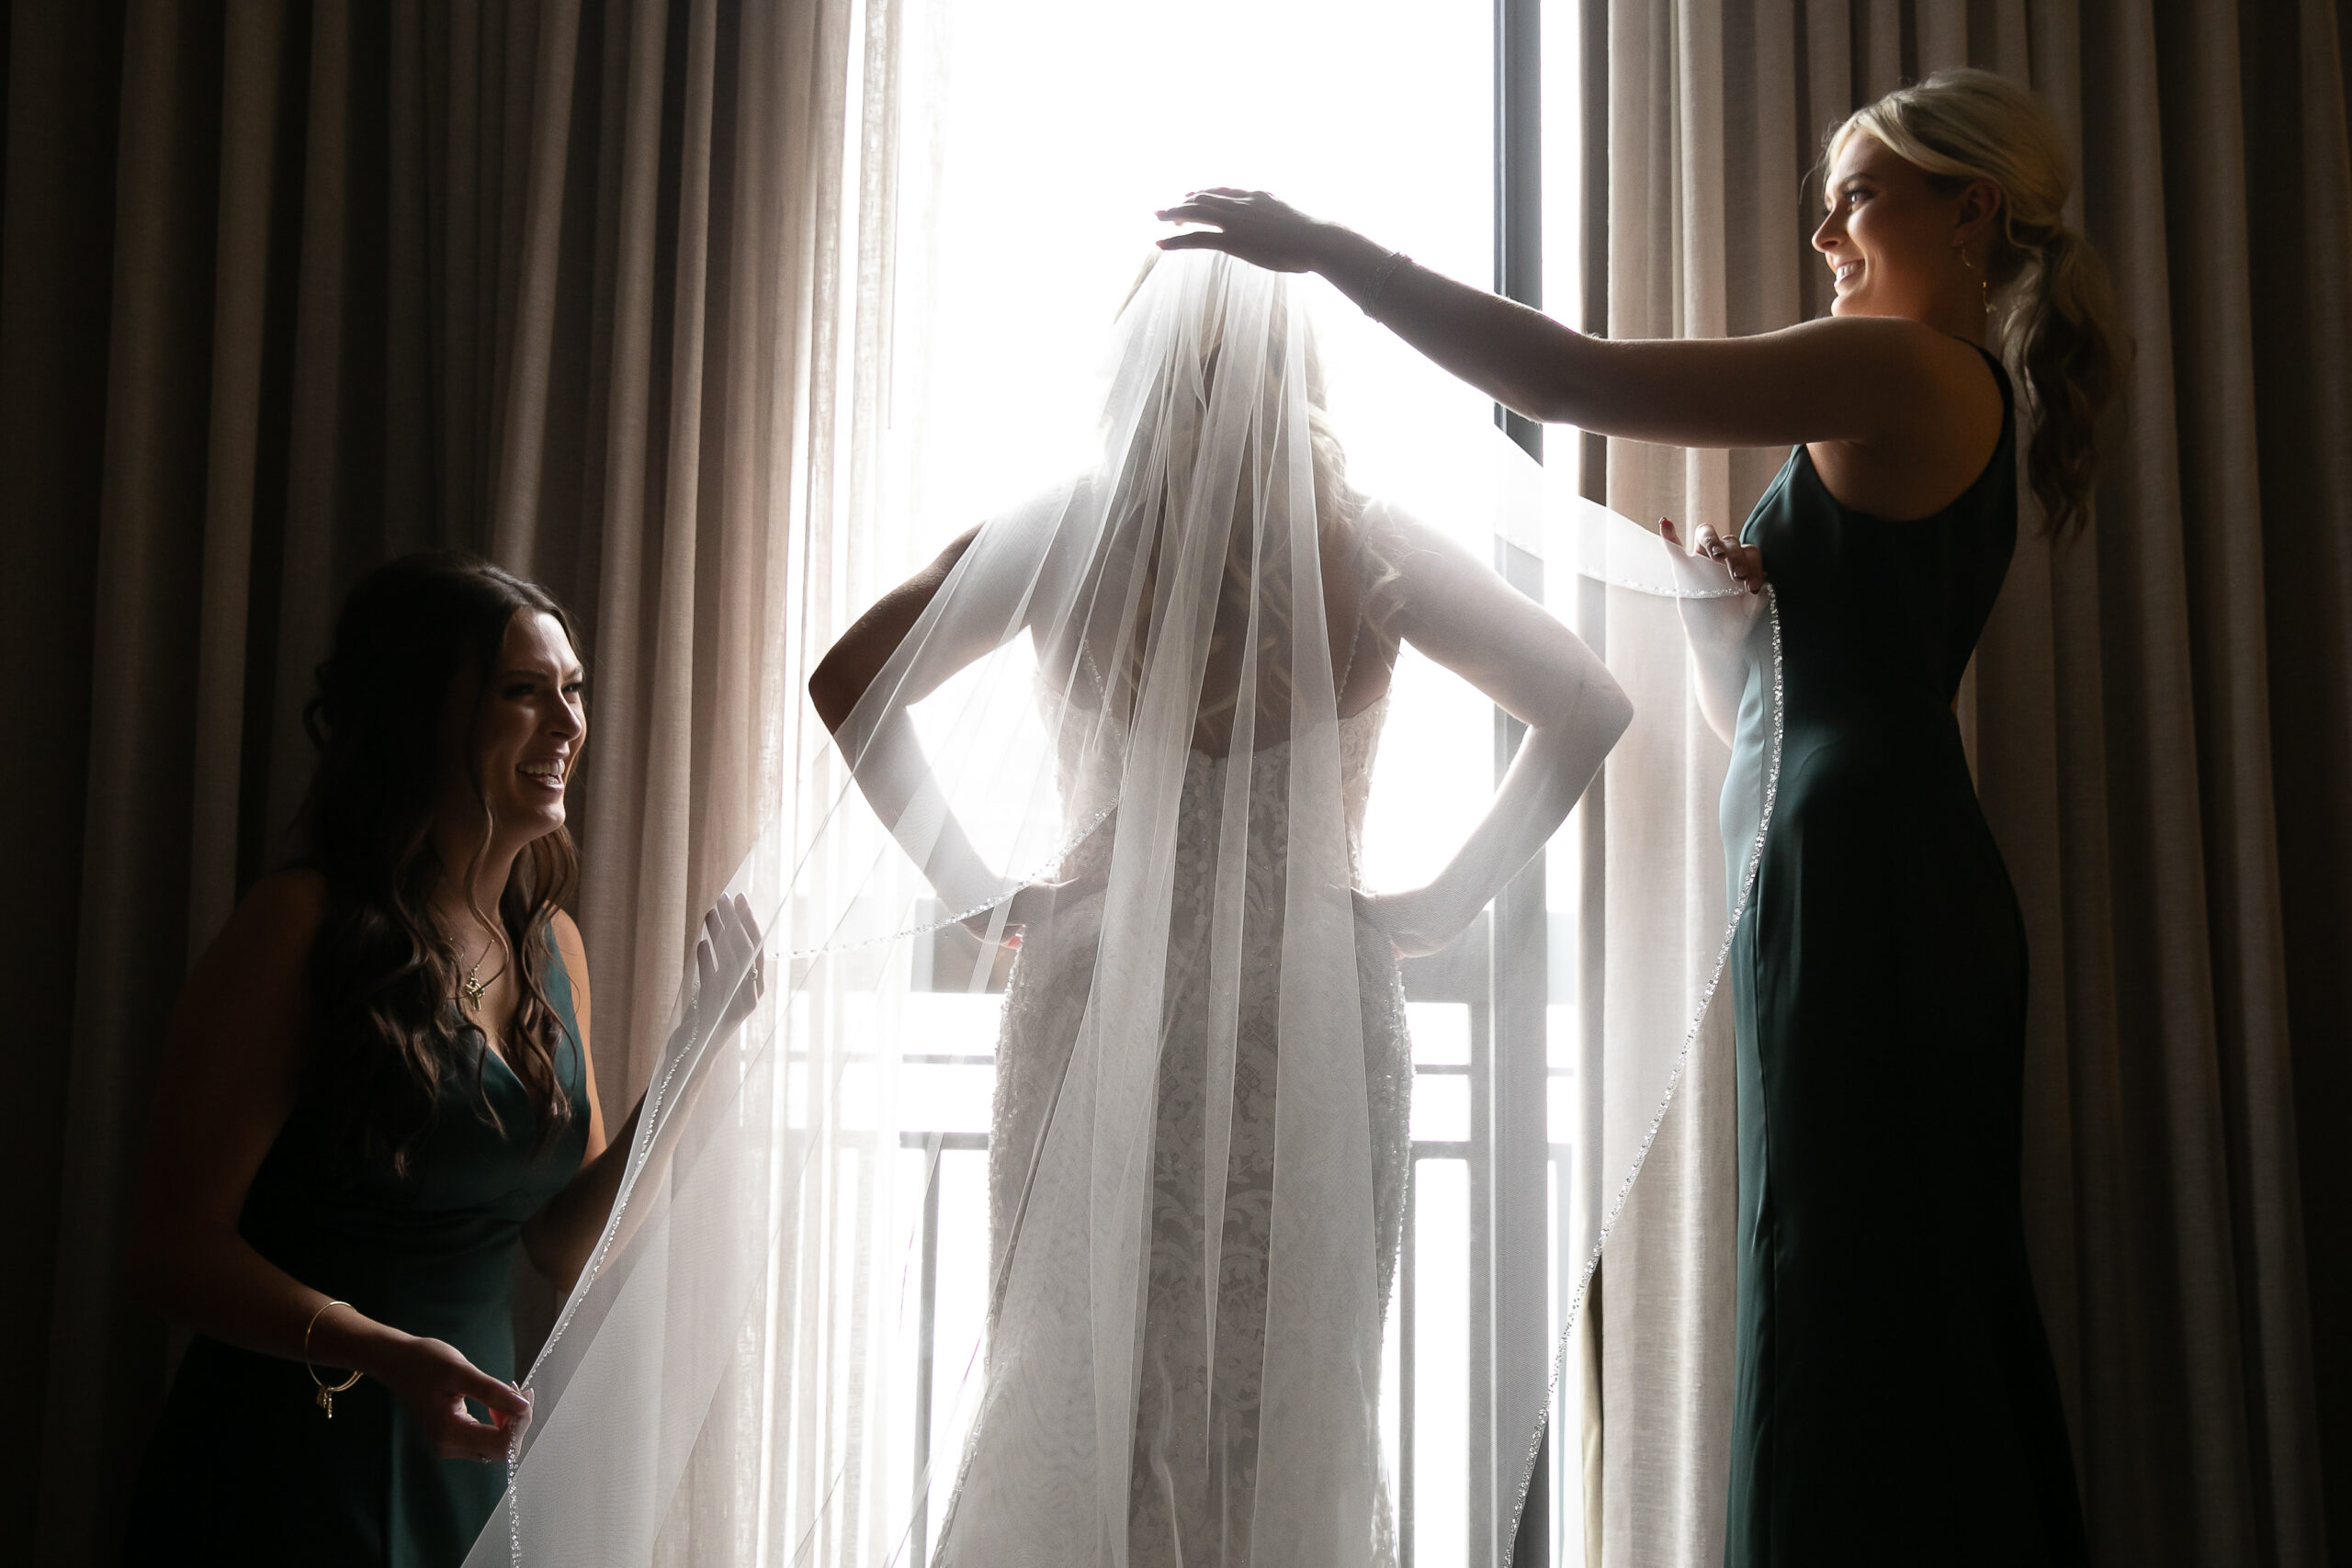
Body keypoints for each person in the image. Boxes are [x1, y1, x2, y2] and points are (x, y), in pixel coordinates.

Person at [1159, 65, 2120, 1565]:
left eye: (1858, 194)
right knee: (1889, 1261)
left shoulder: (1905, 370)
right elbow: (1843, 671)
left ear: (1971, 204)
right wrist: (1728, 635)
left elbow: (1573, 380)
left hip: (1865, 862)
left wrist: (1332, 251)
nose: (1827, 232)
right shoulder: (1940, 388)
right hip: (1880, 844)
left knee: (1851, 1270)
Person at [805, 249, 1632, 1564]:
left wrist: (970, 889)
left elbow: (849, 676)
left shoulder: (1064, 531)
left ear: (1132, 364)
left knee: (1073, 1382)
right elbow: (1591, 704)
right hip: (1311, 1006)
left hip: (1092, 996)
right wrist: (1439, 903)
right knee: (1294, 1399)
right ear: (1300, 370)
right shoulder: (1366, 541)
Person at [120, 553, 761, 1567]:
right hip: (293, 1466)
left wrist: (695, 1046)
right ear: (424, 715)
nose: (567, 724)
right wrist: (383, 1355)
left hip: (459, 1457)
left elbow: (562, 1248)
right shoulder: (300, 928)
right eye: (523, 692)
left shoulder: (550, 945)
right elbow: (166, 1249)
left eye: (573, 690)